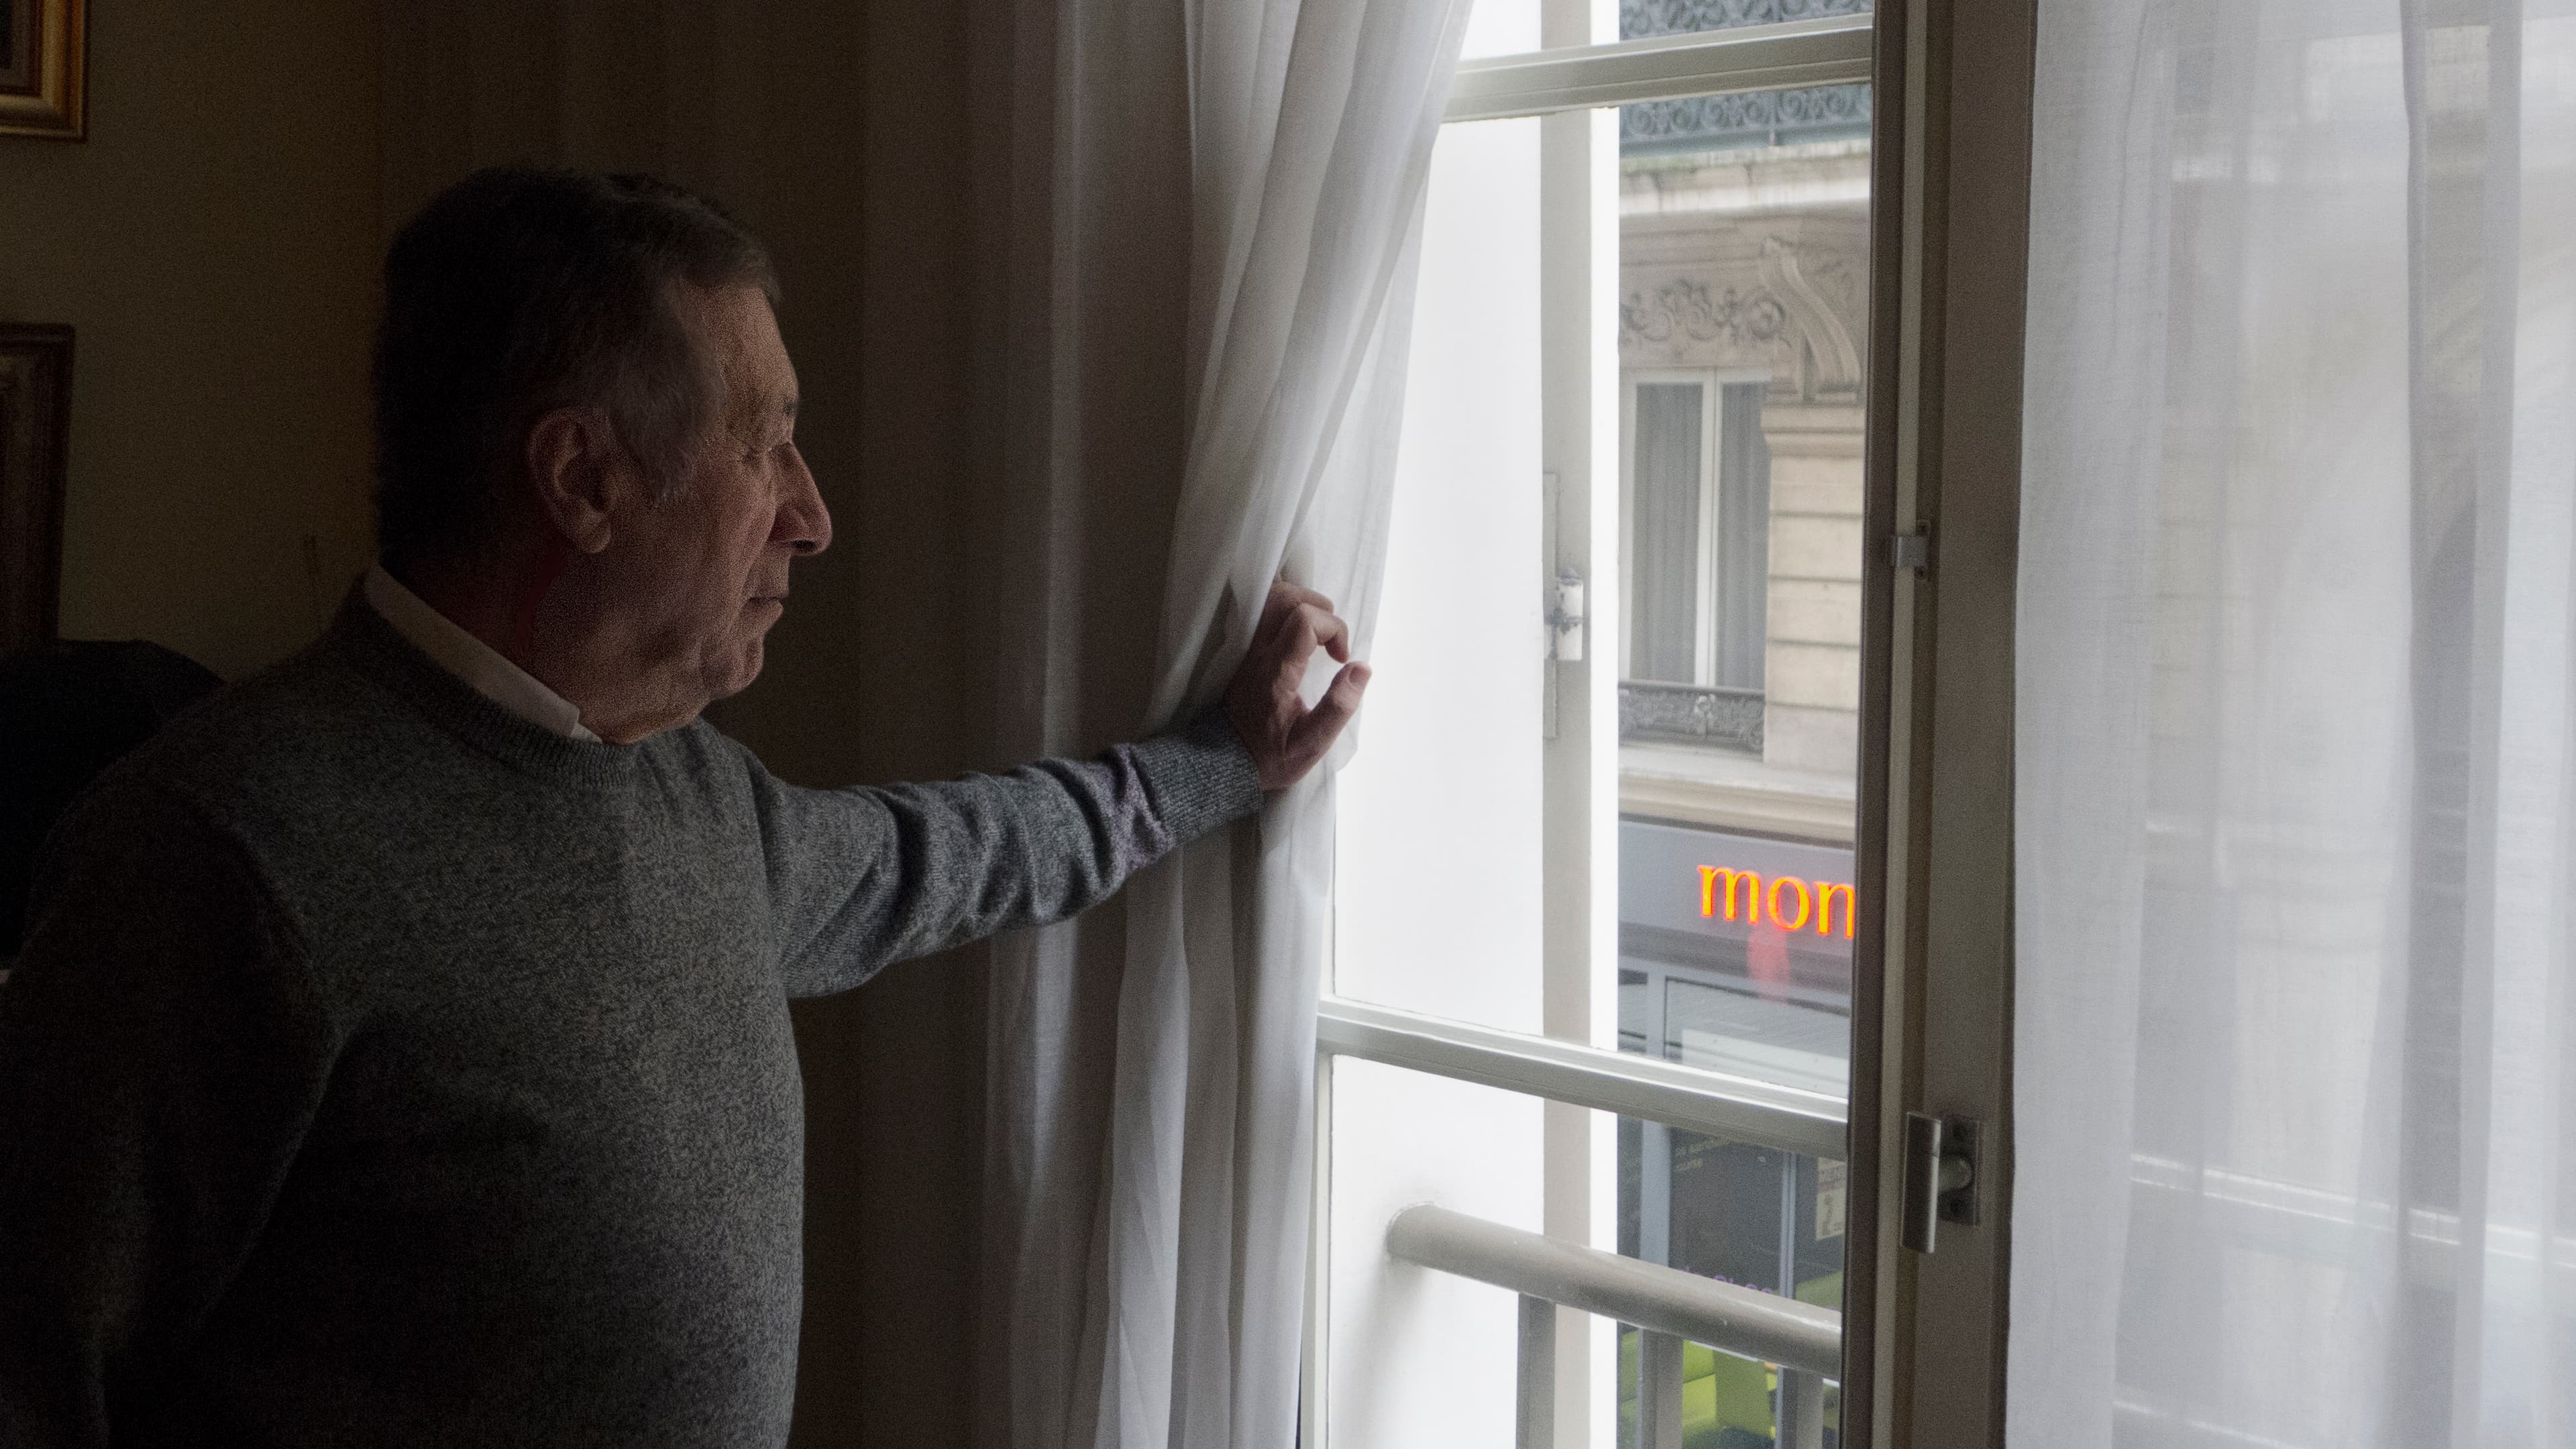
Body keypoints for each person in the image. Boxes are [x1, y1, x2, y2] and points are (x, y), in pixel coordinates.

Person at [0, 168, 1369, 1448]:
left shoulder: (693, 795)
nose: (814, 516)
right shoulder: (216, 857)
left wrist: (1221, 767)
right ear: (583, 479)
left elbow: (945, 857)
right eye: (765, 447)